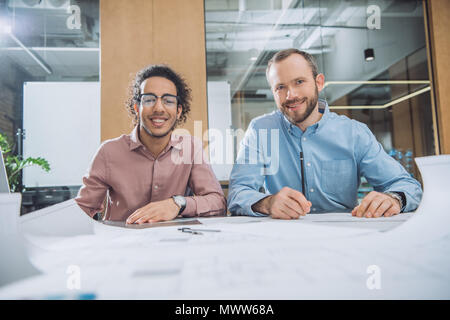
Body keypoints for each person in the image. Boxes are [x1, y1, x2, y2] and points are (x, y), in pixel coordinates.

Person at [228, 48, 422, 219]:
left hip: (345, 238)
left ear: (319, 82)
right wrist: (267, 203)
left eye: (299, 82)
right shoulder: (260, 130)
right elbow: (237, 193)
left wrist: (394, 198)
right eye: (280, 87)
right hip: (283, 238)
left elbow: (408, 186)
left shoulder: (354, 133)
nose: (290, 95)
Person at [75, 64, 226, 223]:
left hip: (175, 244)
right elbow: (82, 210)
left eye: (168, 100)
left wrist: (178, 203)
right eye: (149, 100)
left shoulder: (190, 148)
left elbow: (218, 202)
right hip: (121, 244)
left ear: (179, 110)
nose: (159, 108)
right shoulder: (108, 152)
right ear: (136, 108)